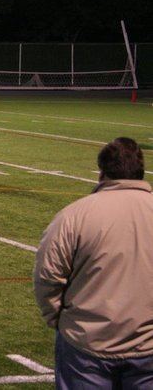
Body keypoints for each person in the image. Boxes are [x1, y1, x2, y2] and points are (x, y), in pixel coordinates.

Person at [34, 137, 153, 389]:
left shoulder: (75, 215)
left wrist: (60, 319)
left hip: (86, 343)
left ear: (102, 172)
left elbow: (47, 276)